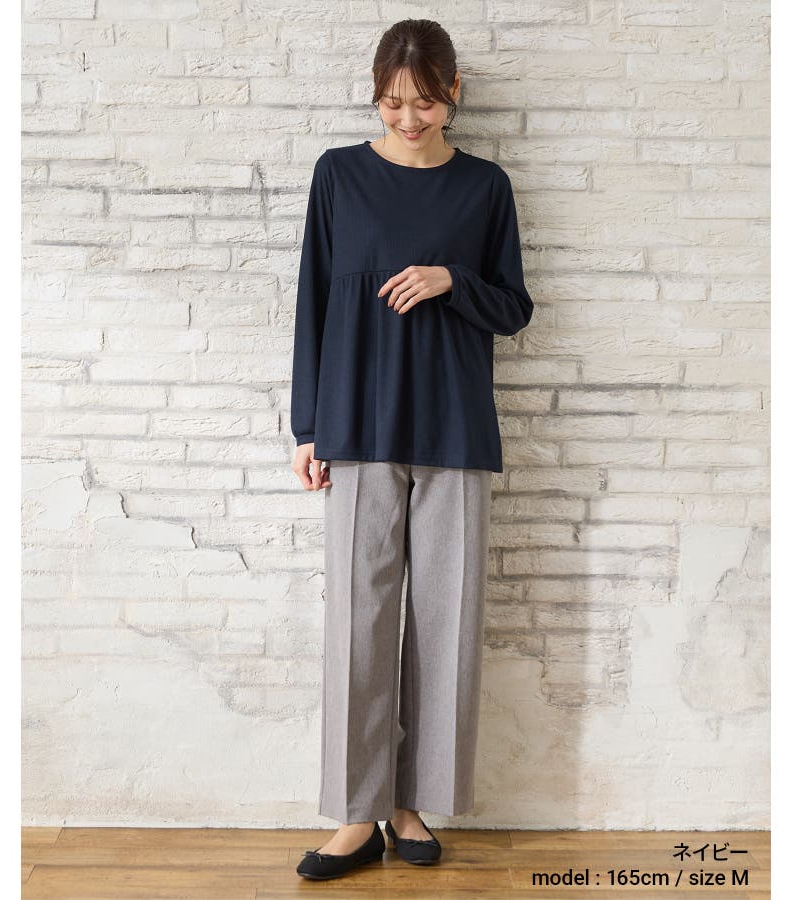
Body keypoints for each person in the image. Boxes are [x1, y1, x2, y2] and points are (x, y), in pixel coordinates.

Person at [290, 18, 533, 881]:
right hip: (356, 425)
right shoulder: (339, 175)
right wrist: (307, 425)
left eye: (424, 102)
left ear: (452, 94)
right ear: (376, 96)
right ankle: (357, 817)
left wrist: (451, 281)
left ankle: (412, 805)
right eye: (392, 102)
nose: (407, 117)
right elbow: (314, 298)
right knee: (360, 623)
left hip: (454, 428)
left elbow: (514, 307)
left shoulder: (485, 187)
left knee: (444, 622)